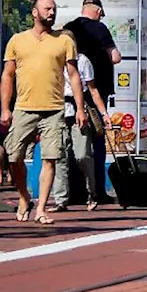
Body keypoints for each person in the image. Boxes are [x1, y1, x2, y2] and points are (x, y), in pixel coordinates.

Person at [0, 0, 85, 225]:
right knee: (14, 155)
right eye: (47, 8)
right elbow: (7, 75)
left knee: (50, 158)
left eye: (54, 9)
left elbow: (74, 75)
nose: (52, 12)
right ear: (35, 12)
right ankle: (24, 196)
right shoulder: (17, 40)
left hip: (54, 109)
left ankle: (41, 208)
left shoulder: (64, 41)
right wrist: (5, 108)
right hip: (24, 108)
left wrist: (80, 108)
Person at [63, 0, 121, 201]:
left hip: (67, 97)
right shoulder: (99, 29)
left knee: (70, 143)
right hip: (94, 92)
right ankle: (96, 191)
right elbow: (115, 57)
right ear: (97, 11)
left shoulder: (68, 28)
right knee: (96, 141)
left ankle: (72, 191)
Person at [53, 31, 110, 211]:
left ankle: (92, 192)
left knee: (82, 155)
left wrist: (104, 113)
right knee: (59, 156)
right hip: (58, 109)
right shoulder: (52, 59)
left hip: (79, 109)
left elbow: (92, 90)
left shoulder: (82, 61)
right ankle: (61, 199)